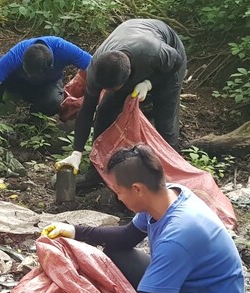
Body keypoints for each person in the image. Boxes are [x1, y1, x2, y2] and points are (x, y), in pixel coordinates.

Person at [43, 144, 244, 293]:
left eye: (119, 191)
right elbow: (127, 236)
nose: (118, 196)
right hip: (186, 288)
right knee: (116, 251)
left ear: (137, 189)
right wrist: (75, 230)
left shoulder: (179, 234)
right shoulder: (167, 196)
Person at [56, 19, 187, 180]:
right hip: (129, 44)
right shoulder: (96, 69)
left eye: (114, 88)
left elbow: (177, 63)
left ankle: (168, 175)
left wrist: (148, 83)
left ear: (127, 78)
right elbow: (87, 109)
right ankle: (96, 171)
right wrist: (77, 152)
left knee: (165, 119)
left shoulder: (152, 52)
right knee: (105, 110)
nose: (110, 91)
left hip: (169, 57)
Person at [0, 36, 91, 117]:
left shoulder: (64, 49)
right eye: (27, 71)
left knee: (53, 102)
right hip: (18, 83)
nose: (30, 76)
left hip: (45, 87)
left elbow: (95, 65)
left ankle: (33, 118)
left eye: (33, 75)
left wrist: (93, 97)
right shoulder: (17, 54)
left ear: (49, 67)